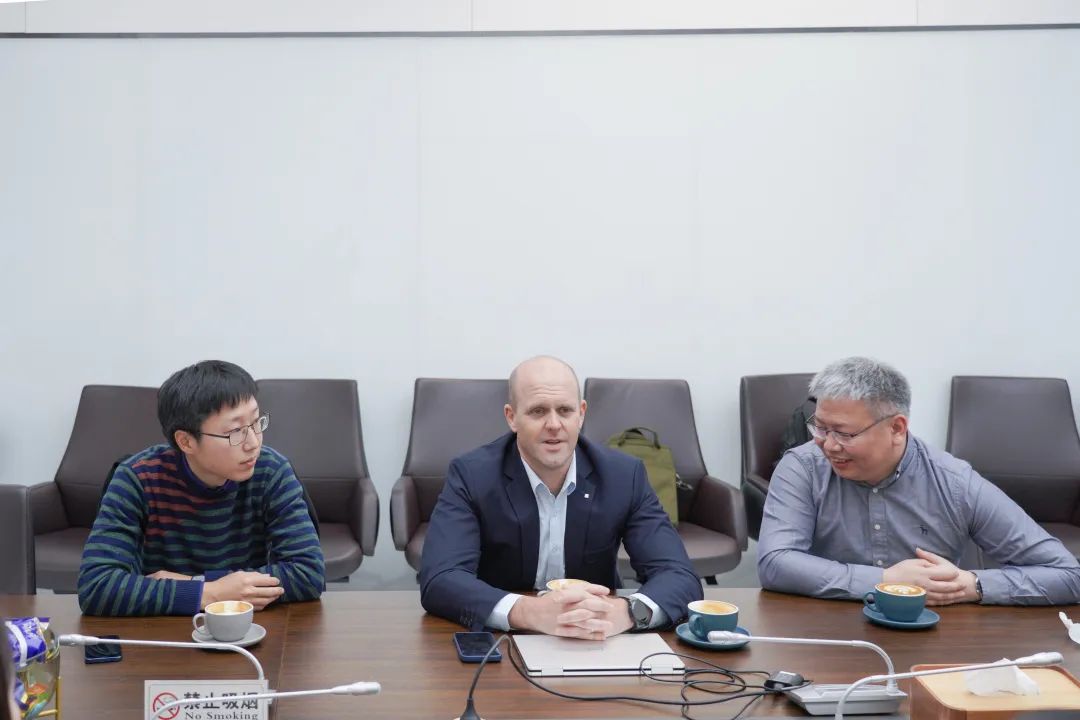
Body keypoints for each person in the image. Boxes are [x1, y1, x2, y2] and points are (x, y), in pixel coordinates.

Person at [758, 356, 1080, 606]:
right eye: (820, 427)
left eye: (844, 434)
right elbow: (775, 563)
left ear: (896, 428)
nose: (828, 445)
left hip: (931, 635)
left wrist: (973, 585)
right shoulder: (803, 467)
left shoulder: (954, 483)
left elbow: (1068, 575)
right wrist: (884, 580)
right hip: (825, 631)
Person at [420, 355, 702, 639]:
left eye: (565, 410)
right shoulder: (471, 475)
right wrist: (529, 612)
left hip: (597, 636)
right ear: (511, 417)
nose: (554, 424)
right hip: (504, 638)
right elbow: (441, 578)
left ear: (581, 414)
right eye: (538, 411)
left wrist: (626, 613)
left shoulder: (623, 476)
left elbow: (679, 576)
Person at [77, 360, 325, 616]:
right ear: (186, 442)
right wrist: (211, 593)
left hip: (247, 628)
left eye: (256, 422)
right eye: (236, 431)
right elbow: (96, 586)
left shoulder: (271, 471)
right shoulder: (137, 479)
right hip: (160, 631)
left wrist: (200, 585)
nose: (253, 443)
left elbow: (308, 573)